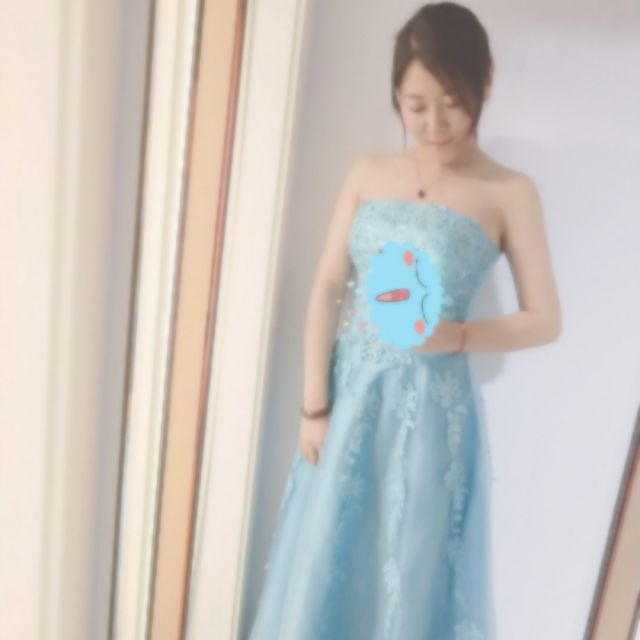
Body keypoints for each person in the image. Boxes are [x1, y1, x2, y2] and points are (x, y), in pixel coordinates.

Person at [248, 2, 562, 639]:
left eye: (452, 101)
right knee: (323, 564)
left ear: (484, 82)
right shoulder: (369, 173)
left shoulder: (509, 192)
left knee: (407, 575)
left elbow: (545, 319)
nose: (434, 123)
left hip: (432, 418)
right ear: (396, 95)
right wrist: (314, 406)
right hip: (348, 400)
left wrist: (462, 337)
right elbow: (328, 287)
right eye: (415, 105)